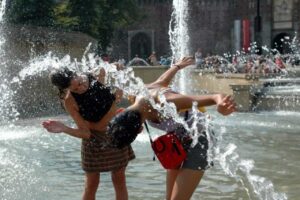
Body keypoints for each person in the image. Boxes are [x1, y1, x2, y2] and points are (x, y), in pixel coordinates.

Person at [107, 56, 236, 200]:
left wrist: (221, 105)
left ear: (138, 130)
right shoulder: (137, 97)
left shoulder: (165, 102)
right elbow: (162, 81)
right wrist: (177, 66)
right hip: (176, 141)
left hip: (200, 139)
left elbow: (214, 97)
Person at [42, 65, 135, 200]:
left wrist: (119, 70)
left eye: (80, 83)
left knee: (119, 180)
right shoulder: (69, 100)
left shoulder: (97, 73)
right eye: (75, 89)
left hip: (115, 132)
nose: (81, 89)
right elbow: (86, 133)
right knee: (91, 184)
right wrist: (64, 129)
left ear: (76, 73)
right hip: (93, 140)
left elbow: (118, 73)